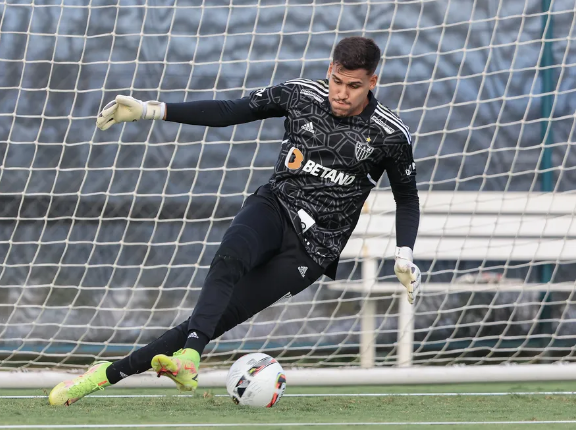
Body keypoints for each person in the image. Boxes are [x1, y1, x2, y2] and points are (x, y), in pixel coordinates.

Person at [48, 36, 421, 406]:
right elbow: (231, 111)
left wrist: (404, 252)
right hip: (275, 206)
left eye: (353, 86)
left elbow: (406, 197)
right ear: (330, 71)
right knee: (229, 258)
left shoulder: (390, 134)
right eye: (337, 81)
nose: (341, 93)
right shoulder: (301, 94)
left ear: (372, 82)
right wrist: (152, 110)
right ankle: (190, 359)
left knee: (215, 317)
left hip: (314, 249)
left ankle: (106, 374)